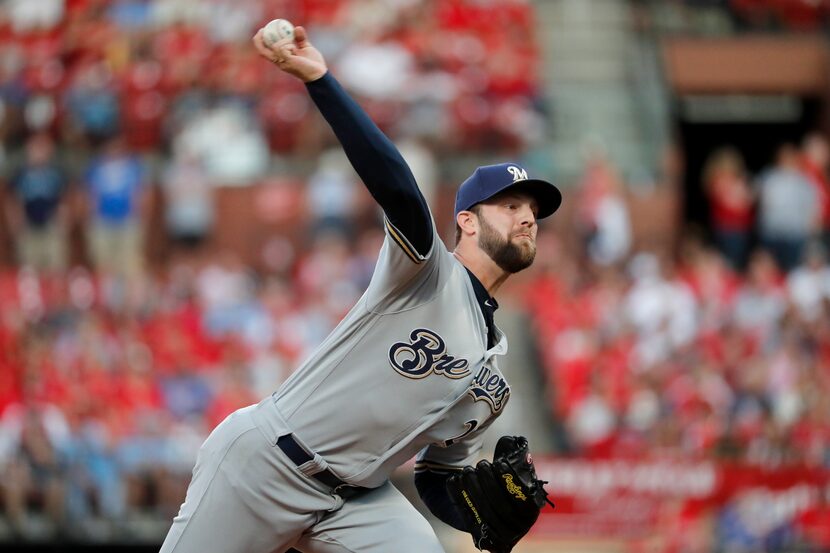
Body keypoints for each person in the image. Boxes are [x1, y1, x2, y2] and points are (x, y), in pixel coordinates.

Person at [159, 23, 561, 553]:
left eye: (532, 211)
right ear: (465, 221)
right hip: (269, 463)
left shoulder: (495, 372)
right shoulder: (426, 273)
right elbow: (398, 187)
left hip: (354, 502)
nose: (527, 218)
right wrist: (322, 81)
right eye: (510, 206)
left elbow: (437, 477)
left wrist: (480, 517)